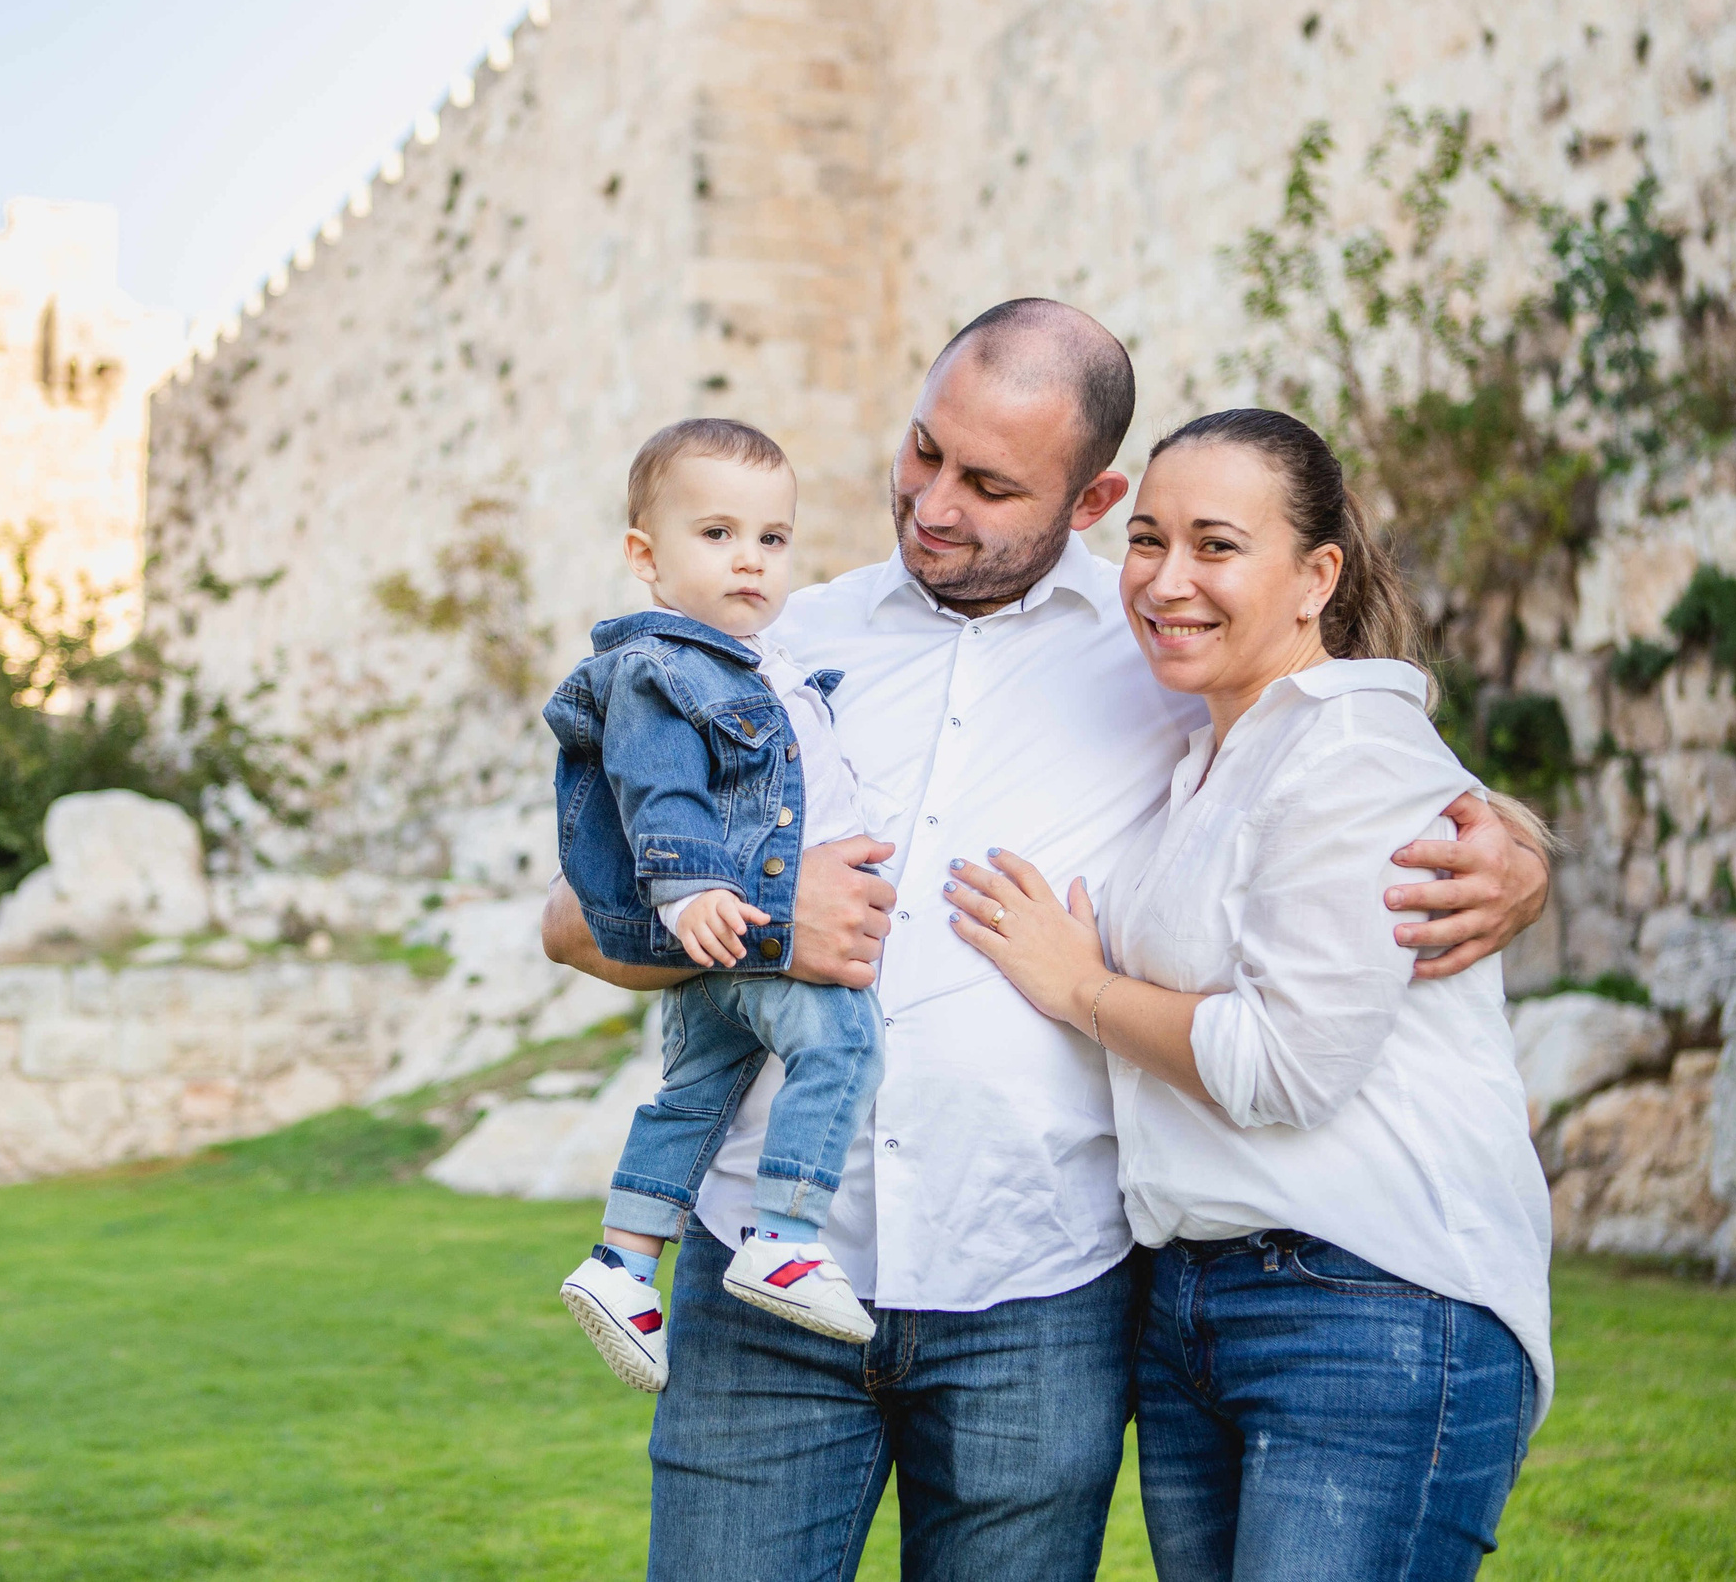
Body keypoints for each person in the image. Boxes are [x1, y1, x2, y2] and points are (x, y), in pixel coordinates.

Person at [539, 300, 1549, 1582]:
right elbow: (572, 918)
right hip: (767, 1279)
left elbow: (1345, 741)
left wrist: (1509, 852)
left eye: (990, 483)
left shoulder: (1168, 654)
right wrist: (766, 931)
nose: (932, 503)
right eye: (922, 452)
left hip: (1039, 1298)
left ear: (1090, 498)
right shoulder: (767, 645)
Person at [942, 407, 1552, 1581]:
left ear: (1315, 575)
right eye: (1148, 541)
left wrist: (1082, 989)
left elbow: (1284, 1065)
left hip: (1369, 1296)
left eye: (1217, 546)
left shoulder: (1355, 753)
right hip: (1194, 1307)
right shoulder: (1208, 750)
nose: (1168, 580)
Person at [550, 419, 888, 1396]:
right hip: (740, 928)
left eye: (772, 540)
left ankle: (621, 1263)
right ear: (644, 558)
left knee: (697, 1095)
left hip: (720, 948)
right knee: (845, 1046)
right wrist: (690, 887)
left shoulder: (762, 664)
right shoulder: (663, 669)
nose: (750, 560)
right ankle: (783, 1236)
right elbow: (658, 791)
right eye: (716, 535)